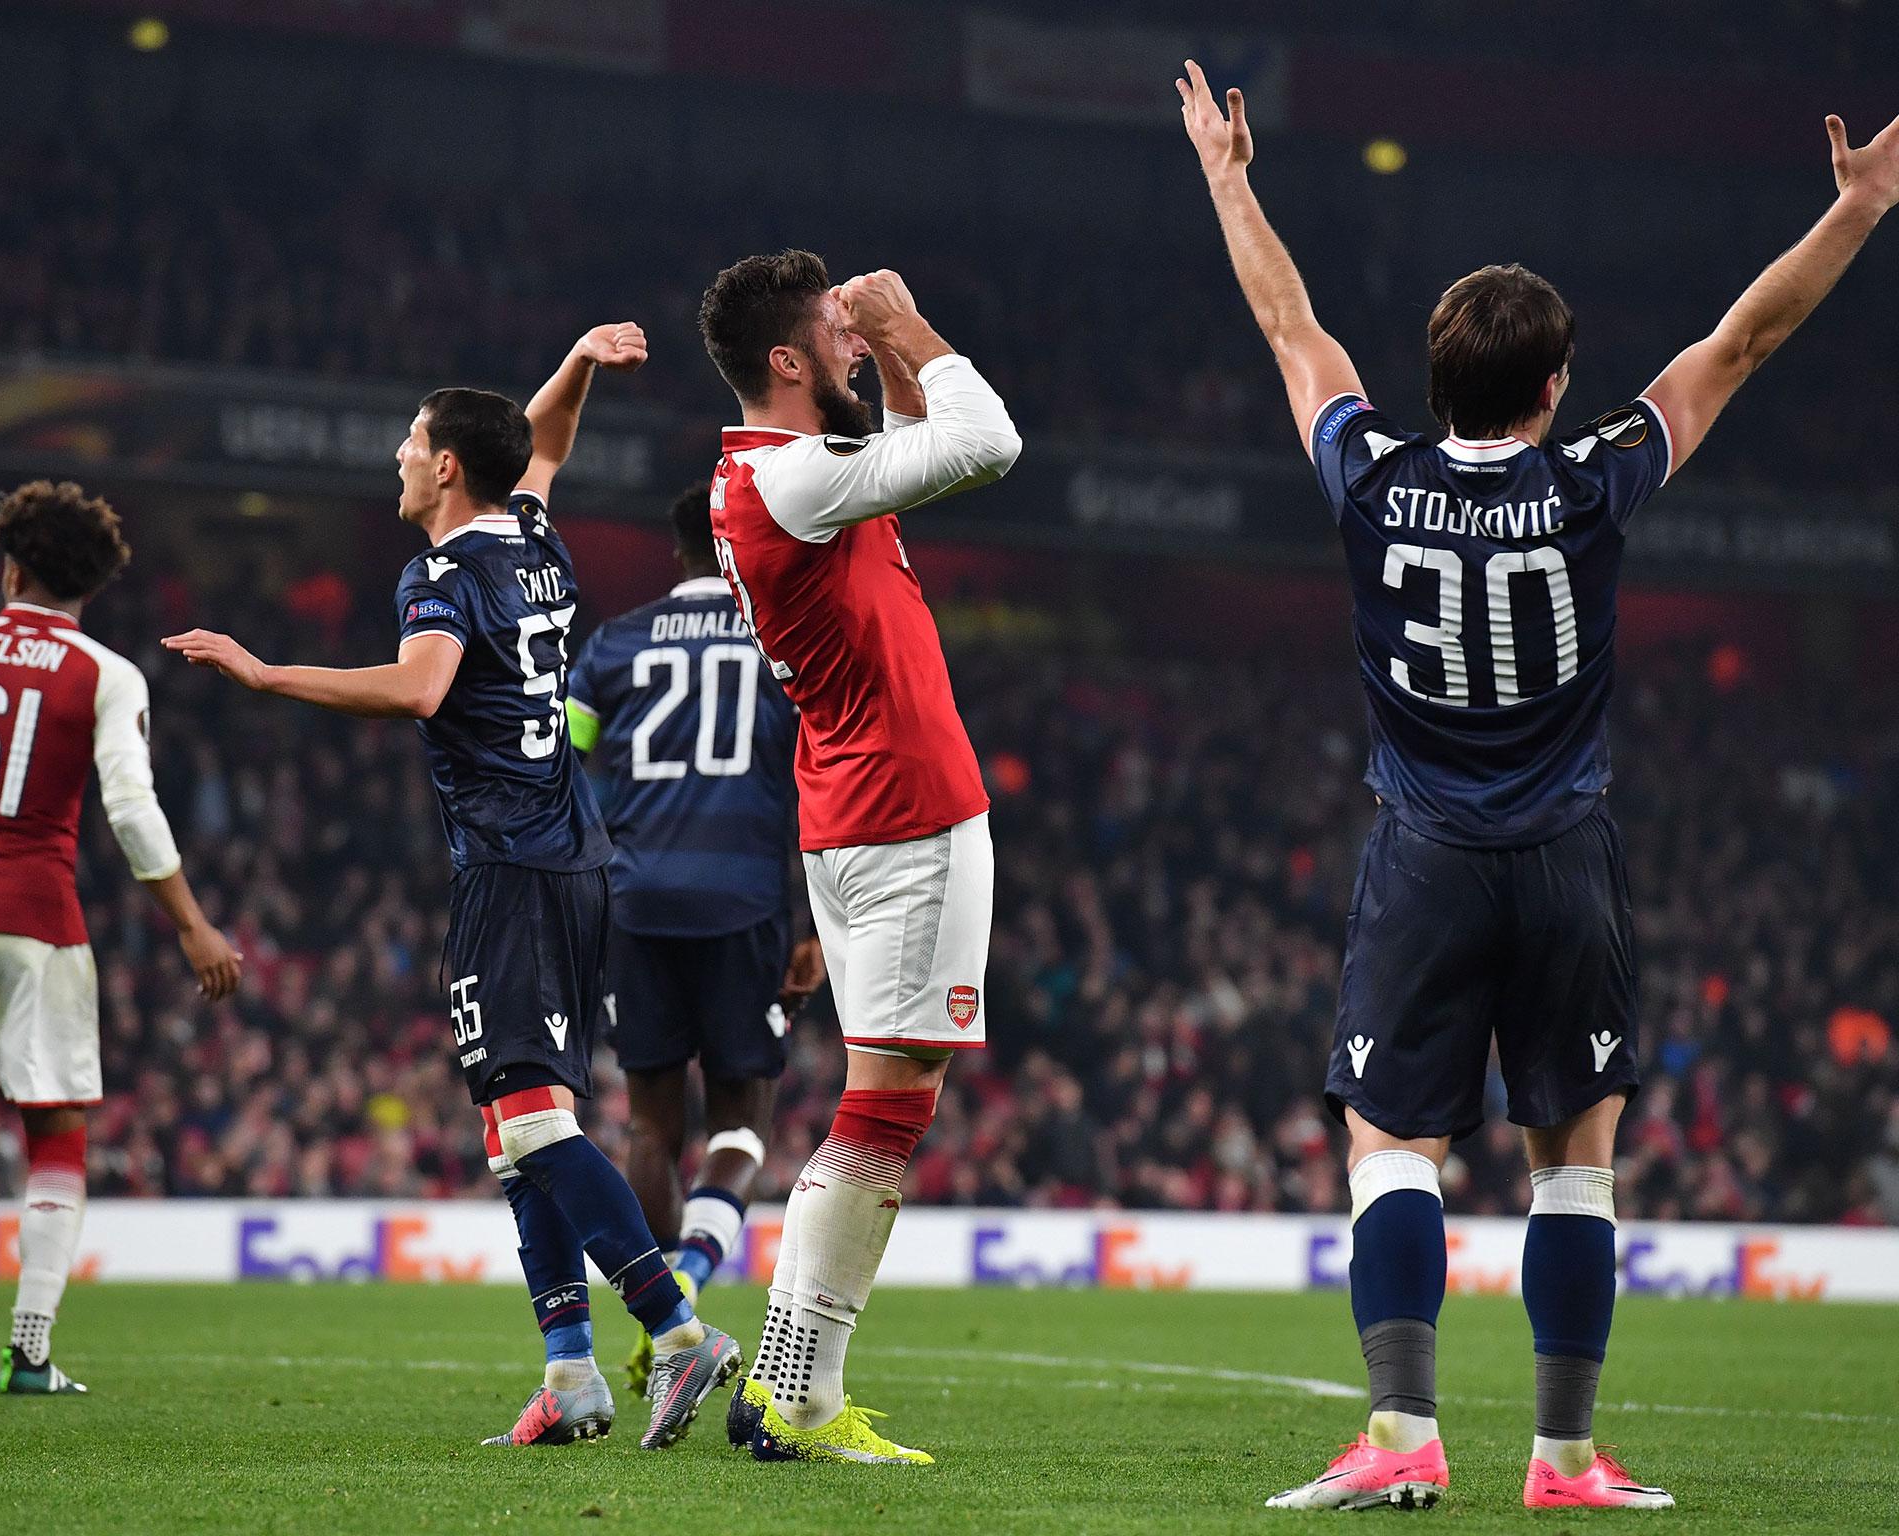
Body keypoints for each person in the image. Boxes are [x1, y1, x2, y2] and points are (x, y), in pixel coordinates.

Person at [1177, 59, 1899, 1512]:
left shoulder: (1369, 475)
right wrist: (1862, 211)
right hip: (1569, 857)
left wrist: (1229, 175)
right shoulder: (1594, 480)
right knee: (1575, 1168)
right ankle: (1564, 1459)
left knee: (1394, 1151)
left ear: (1433, 379)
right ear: (1556, 387)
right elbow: (1743, 340)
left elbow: (1286, 322)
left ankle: (1400, 1436)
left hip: (1426, 857)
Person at [163, 324, 741, 1451]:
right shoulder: (529, 533)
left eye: (408, 440)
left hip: (512, 869)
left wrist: (264, 668)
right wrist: (574, 364)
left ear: (442, 468)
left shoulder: (439, 572)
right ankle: (570, 1374)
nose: (394, 454)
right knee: (516, 1128)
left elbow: (422, 691)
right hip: (573, 857)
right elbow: (544, 444)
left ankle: (676, 1333)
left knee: (529, 1124)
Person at [696, 250, 1020, 1464]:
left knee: (888, 1095)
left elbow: (908, 446)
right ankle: (799, 1392)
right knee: (886, 1103)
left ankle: (787, 1382)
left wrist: (877, 352)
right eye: (828, 335)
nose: (849, 346)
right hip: (903, 815)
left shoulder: (770, 475)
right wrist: (907, 324)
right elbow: (986, 444)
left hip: (863, 809)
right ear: (785, 362)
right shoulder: (792, 478)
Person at [0, 480, 241, 1398]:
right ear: (94, 584)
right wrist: (190, 922)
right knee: (56, 1133)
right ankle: (28, 1349)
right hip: (39, 919)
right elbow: (130, 807)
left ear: (11, 566)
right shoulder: (106, 673)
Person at [566, 481, 821, 1398]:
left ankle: (665, 1329)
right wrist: (815, 926)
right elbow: (817, 787)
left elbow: (564, 776)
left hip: (633, 907)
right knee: (743, 1120)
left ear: (675, 554)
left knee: (651, 1124)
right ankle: (688, 1284)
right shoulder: (781, 647)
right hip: (743, 905)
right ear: (737, 543)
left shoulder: (612, 645)